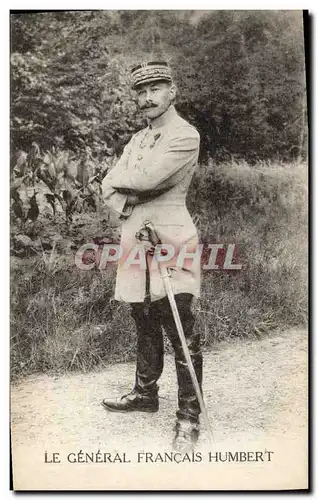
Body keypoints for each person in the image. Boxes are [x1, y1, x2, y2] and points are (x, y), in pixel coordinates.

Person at [101, 61, 203, 451]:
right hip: (135, 236)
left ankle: (188, 419)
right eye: (140, 93)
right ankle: (145, 395)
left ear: (172, 91)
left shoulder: (184, 135)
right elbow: (108, 186)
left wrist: (127, 186)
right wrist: (131, 199)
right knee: (142, 317)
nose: (147, 98)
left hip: (171, 238)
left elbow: (144, 180)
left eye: (155, 90)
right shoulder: (136, 140)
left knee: (178, 324)